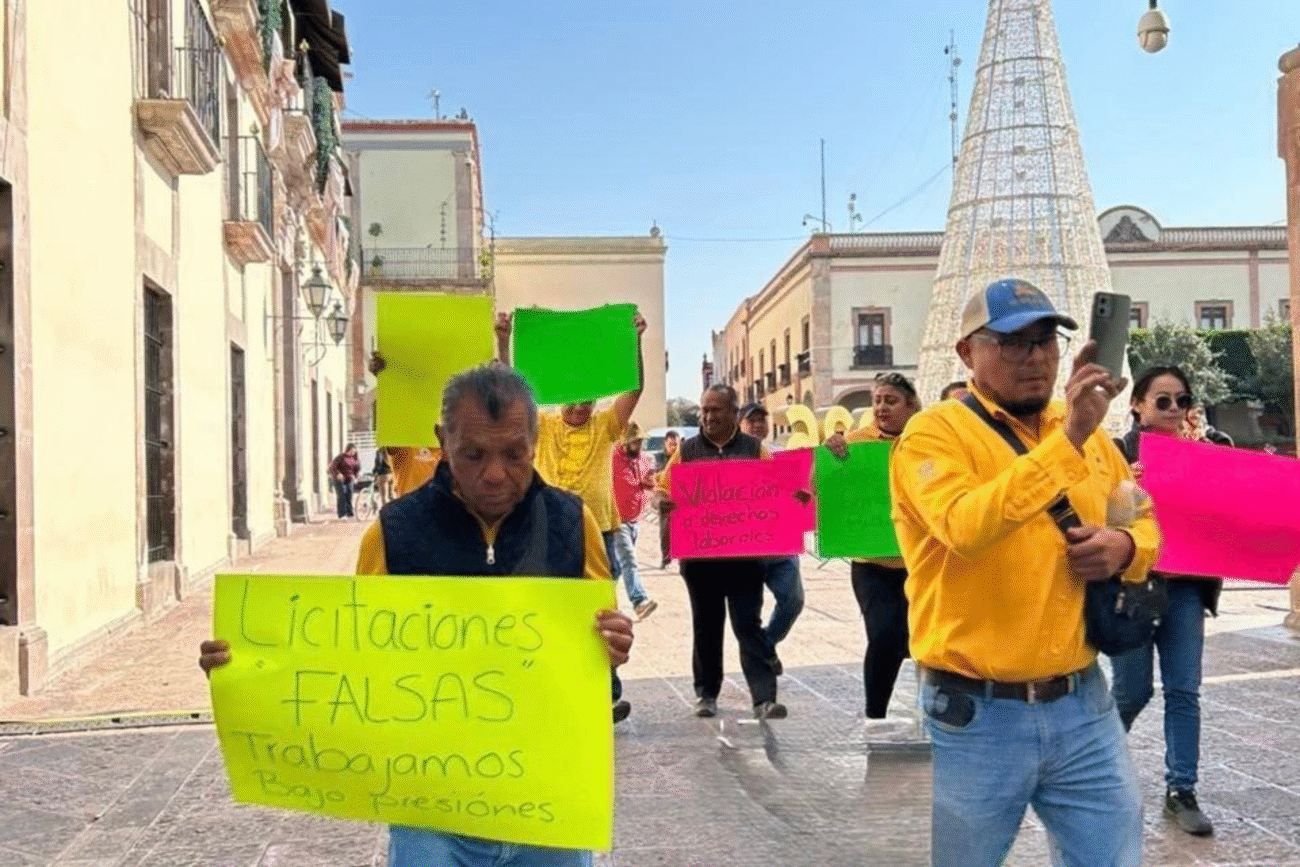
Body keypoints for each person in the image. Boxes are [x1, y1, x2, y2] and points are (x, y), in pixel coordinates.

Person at [199, 365, 635, 867]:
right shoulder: (394, 533)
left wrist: (614, 646)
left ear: (535, 442)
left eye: (514, 454)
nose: (495, 473)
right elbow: (348, 663)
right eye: (473, 454)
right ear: (442, 441)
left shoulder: (572, 523)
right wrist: (250, 667)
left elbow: (599, 652)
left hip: (548, 808)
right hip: (432, 812)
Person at [888, 278, 1158, 867]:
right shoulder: (933, 435)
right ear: (967, 353)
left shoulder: (1080, 429)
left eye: (1045, 340)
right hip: (971, 720)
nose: (1034, 356)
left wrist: (1124, 546)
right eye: (1011, 343)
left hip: (1083, 706)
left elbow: (1142, 514)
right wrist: (1071, 440)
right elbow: (964, 526)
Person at [497, 309, 647, 724]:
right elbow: (509, 394)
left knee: (601, 613)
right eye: (573, 397)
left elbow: (633, 388)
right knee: (549, 611)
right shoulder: (541, 424)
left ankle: (608, 694)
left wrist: (634, 342)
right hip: (545, 531)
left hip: (598, 534)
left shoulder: (605, 425)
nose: (580, 405)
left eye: (588, 397)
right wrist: (504, 341)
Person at [1112, 365, 1219, 837]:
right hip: (1135, 587)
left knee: (1184, 691)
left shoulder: (1207, 452)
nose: (1174, 409)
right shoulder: (1116, 454)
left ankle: (1182, 790)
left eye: (1182, 400)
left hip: (1186, 589)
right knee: (1133, 690)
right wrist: (1124, 490)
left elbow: (1225, 514)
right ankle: (1099, 773)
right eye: (1162, 401)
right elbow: (1103, 518)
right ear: (1137, 405)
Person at [660, 385, 786, 720]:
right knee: (706, 624)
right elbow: (661, 488)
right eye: (704, 410)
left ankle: (763, 697)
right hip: (700, 562)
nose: (708, 416)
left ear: (734, 413)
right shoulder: (686, 451)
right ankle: (706, 693)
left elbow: (783, 489)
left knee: (748, 625)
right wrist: (662, 501)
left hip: (745, 561)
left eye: (716, 410)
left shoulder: (756, 450)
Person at [823, 373, 921, 723]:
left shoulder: (927, 440)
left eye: (890, 400)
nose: (881, 407)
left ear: (911, 405)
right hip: (872, 566)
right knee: (884, 636)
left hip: (921, 563)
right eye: (877, 400)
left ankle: (934, 715)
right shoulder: (855, 443)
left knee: (926, 641)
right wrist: (831, 460)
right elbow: (818, 489)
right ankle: (874, 717)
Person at [738, 403, 804, 676]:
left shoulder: (782, 456)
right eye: (751, 420)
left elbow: (800, 490)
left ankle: (766, 645)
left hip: (781, 546)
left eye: (762, 420)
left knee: (793, 601)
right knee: (747, 615)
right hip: (746, 551)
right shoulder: (730, 460)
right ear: (739, 425)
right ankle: (759, 660)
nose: (757, 425)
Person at [367, 352, 443, 498]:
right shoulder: (406, 444)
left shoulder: (452, 448)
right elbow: (389, 423)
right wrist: (384, 381)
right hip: (410, 515)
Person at [611, 421, 659, 620]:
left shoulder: (644, 461)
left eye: (640, 442)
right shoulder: (611, 459)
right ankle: (639, 602)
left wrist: (649, 484)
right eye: (635, 442)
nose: (638, 446)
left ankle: (605, 601)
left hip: (635, 520)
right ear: (624, 441)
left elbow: (649, 485)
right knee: (629, 561)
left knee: (616, 566)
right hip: (616, 520)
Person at [656, 431, 681, 568]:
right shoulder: (659, 458)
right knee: (665, 532)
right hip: (666, 499)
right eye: (671, 444)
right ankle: (665, 558)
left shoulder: (683, 455)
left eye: (676, 444)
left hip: (682, 501)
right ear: (665, 443)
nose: (673, 446)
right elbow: (656, 477)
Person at [328, 444, 360, 520]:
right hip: (340, 480)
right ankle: (342, 514)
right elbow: (332, 467)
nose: (353, 453)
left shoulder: (355, 458)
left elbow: (357, 468)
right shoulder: (340, 457)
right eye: (351, 451)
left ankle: (349, 513)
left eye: (354, 451)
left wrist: (355, 477)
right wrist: (338, 474)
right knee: (342, 496)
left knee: (349, 495)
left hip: (349, 479)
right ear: (347, 450)